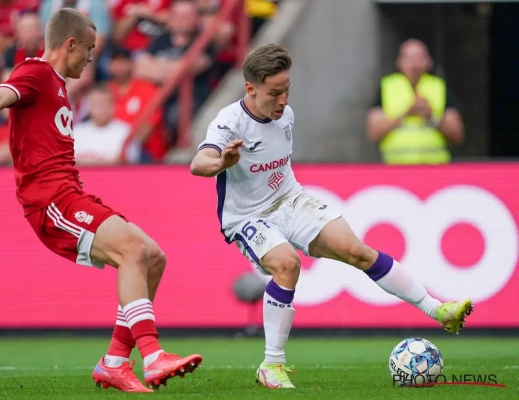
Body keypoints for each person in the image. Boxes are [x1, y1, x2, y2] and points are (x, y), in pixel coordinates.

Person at [190, 43, 473, 389]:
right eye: (274, 93)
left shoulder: (285, 116)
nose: (283, 101)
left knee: (358, 251)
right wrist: (221, 161)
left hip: (291, 200)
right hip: (248, 216)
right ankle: (271, 364)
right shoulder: (229, 122)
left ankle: (437, 310)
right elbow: (198, 163)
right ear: (251, 88)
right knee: (287, 264)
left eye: (287, 90)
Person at [0, 7, 201, 393]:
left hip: (71, 194)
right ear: (70, 44)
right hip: (51, 201)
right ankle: (152, 355)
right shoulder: (36, 72)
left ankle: (115, 363)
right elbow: (1, 96)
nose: (90, 59)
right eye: (88, 49)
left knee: (154, 256)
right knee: (133, 250)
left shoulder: (56, 84)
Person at [366, 39, 464, 164]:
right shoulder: (387, 86)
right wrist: (405, 113)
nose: (414, 64)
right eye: (409, 58)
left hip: (435, 167)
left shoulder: (439, 87)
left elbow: (457, 134)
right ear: (399, 62)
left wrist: (431, 117)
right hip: (396, 167)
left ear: (429, 61)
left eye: (419, 58)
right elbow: (373, 132)